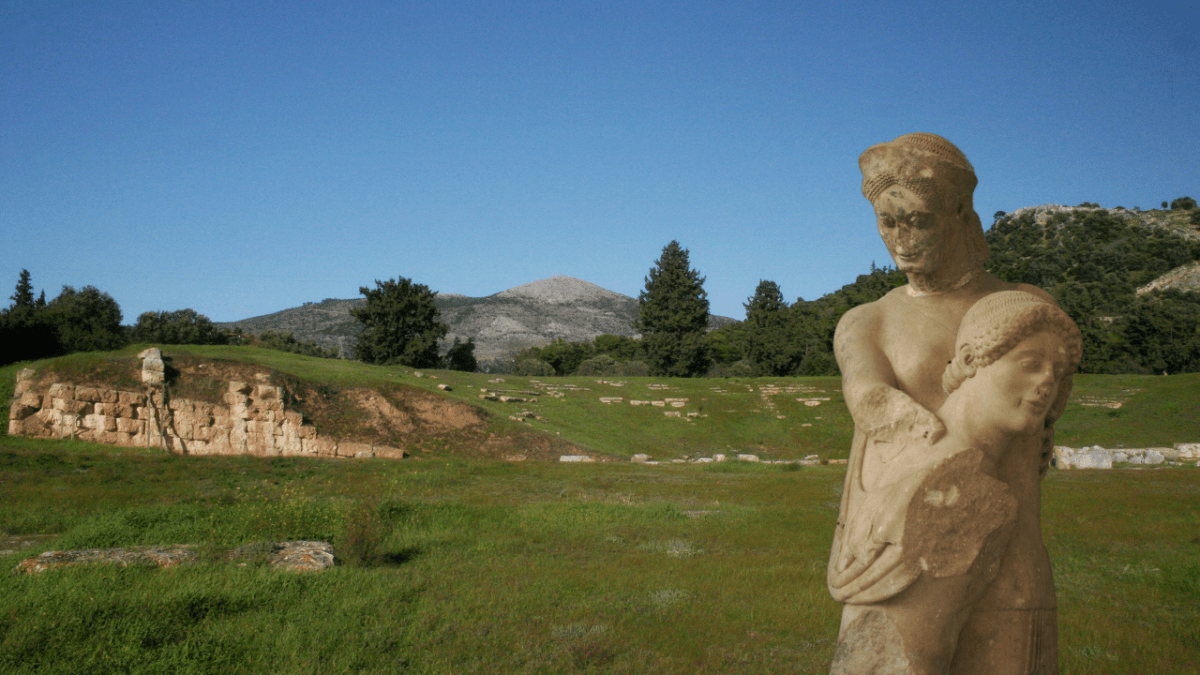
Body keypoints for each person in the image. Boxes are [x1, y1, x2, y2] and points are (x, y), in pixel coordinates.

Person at [827, 133, 1071, 674]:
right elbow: (867, 397)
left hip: (1012, 562)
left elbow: (1046, 422)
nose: (902, 240)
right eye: (889, 224)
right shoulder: (867, 321)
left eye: (919, 220)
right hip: (902, 557)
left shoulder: (1032, 311)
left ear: (961, 213)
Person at [829, 291, 1080, 674]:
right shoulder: (957, 489)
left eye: (1057, 373)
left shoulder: (929, 465)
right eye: (1030, 364)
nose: (1047, 383)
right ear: (968, 360)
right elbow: (901, 657)